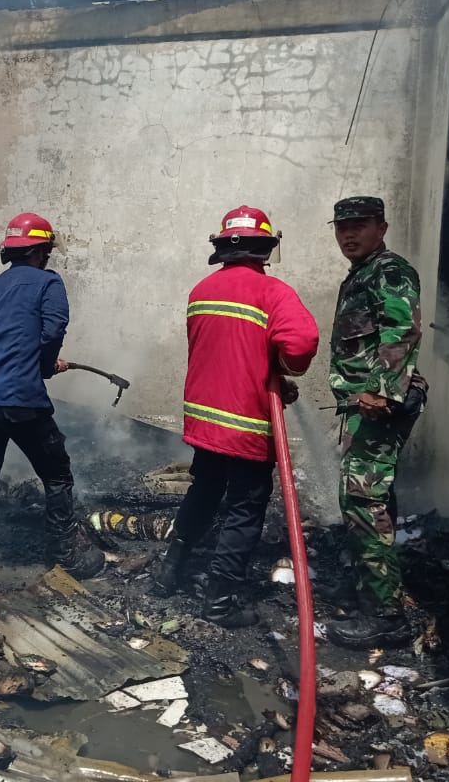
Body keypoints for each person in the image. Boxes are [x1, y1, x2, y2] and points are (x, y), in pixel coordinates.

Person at [151, 206, 319, 627]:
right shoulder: (273, 293)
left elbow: (229, 353)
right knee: (245, 507)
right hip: (246, 425)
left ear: (223, 247)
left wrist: (269, 370)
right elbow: (301, 342)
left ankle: (168, 571)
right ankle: (220, 601)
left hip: (206, 421)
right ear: (266, 248)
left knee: (205, 491)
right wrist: (285, 368)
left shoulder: (201, 290)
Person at [0, 212, 105, 580]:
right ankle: (65, 555)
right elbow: (51, 332)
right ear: (40, 252)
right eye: (47, 252)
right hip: (23, 400)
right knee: (57, 475)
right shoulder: (48, 284)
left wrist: (39, 362)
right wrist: (47, 365)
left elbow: (5, 342)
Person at [325, 196, 427, 649]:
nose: (349, 234)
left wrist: (381, 392)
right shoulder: (363, 273)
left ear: (382, 226)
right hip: (362, 404)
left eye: (360, 225)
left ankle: (388, 615)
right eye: (342, 226)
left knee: (362, 500)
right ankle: (372, 586)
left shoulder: (390, 270)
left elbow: (401, 331)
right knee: (375, 498)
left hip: (377, 407)